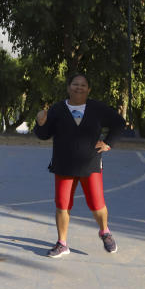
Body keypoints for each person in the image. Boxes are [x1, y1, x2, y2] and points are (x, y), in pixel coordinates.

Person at [34, 73, 125, 258]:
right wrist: (40, 123)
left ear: (88, 89)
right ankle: (62, 243)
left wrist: (108, 143)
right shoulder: (58, 109)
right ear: (68, 88)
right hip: (64, 165)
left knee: (97, 204)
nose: (79, 87)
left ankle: (105, 232)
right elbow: (44, 134)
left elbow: (118, 123)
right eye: (75, 84)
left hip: (90, 163)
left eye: (83, 85)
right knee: (62, 205)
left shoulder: (97, 108)